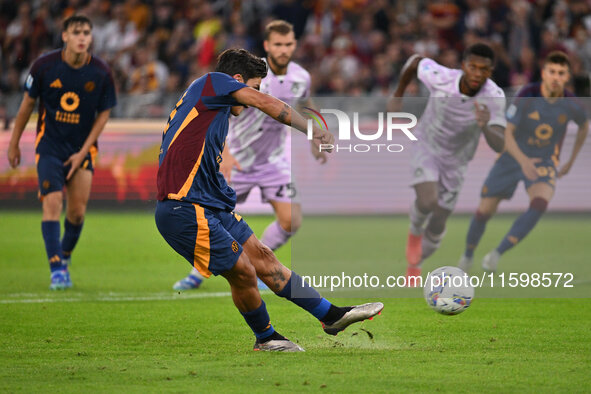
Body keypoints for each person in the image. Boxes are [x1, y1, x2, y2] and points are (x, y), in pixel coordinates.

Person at [155, 48, 383, 352]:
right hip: (183, 207)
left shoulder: (213, 109)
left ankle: (331, 316)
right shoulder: (213, 82)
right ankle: (266, 338)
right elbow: (265, 103)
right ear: (236, 81)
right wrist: (312, 129)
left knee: (263, 258)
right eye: (254, 86)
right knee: (244, 271)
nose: (255, 96)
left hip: (208, 205)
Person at [173, 20, 325, 291]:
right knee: (212, 216)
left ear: (295, 45)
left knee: (291, 220)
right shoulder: (250, 76)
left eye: (288, 44)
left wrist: (315, 133)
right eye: (277, 44)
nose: (283, 50)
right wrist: (226, 154)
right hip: (238, 159)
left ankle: (261, 266)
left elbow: (306, 103)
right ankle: (198, 271)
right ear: (267, 46)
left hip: (273, 161)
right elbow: (218, 118)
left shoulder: (301, 77)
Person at [7, 15, 117, 290]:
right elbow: (26, 106)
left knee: (77, 214)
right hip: (50, 147)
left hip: (83, 149)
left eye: (86, 32)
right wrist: (13, 142)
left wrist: (84, 152)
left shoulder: (101, 72)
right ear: (65, 36)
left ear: (91, 37)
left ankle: (65, 257)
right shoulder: (44, 66)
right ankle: (56, 268)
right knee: (52, 203)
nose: (82, 37)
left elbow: (104, 114)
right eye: (77, 32)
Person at [458, 51, 588, 273]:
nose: (556, 77)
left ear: (567, 77)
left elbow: (584, 126)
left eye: (561, 73)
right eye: (552, 72)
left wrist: (570, 162)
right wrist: (523, 161)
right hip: (511, 157)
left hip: (544, 160)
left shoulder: (571, 103)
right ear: (543, 73)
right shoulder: (528, 94)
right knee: (484, 212)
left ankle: (496, 254)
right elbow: (508, 133)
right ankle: (468, 256)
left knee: (540, 204)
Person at [389, 43, 506, 286]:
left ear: (490, 71)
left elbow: (499, 144)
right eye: (472, 67)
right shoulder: (441, 77)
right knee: (427, 200)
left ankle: (416, 263)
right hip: (427, 146)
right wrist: (397, 95)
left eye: (483, 69)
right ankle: (414, 233)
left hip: (457, 161)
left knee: (440, 219)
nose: (476, 73)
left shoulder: (494, 97)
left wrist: (485, 125)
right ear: (463, 66)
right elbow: (414, 61)